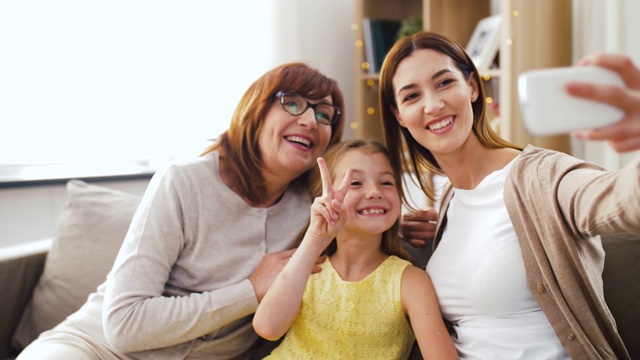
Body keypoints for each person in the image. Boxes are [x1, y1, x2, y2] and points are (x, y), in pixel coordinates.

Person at [17, 62, 346, 359]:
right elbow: (123, 324)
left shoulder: (315, 212)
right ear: (257, 110)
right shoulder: (185, 180)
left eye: (324, 114)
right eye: (293, 103)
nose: (310, 120)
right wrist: (250, 290)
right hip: (95, 347)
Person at [378, 31, 640, 359]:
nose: (433, 105)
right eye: (412, 96)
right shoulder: (450, 201)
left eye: (444, 82)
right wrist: (388, 230)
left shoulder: (543, 177)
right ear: (399, 115)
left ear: (472, 86)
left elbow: (620, 202)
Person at [252, 139, 458, 359]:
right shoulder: (307, 266)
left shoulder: (410, 281)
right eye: (356, 183)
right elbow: (268, 328)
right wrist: (315, 237)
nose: (374, 192)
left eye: (387, 183)